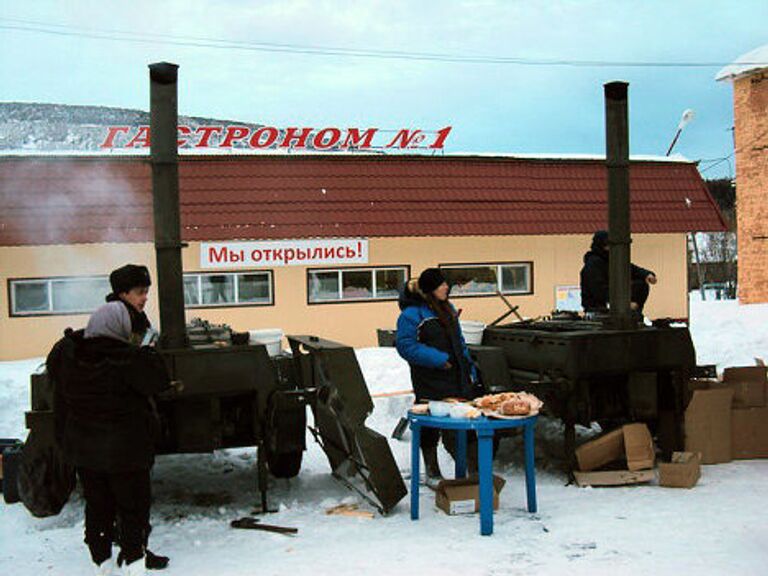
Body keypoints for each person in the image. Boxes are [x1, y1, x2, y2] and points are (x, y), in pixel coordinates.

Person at [47, 264, 170, 576]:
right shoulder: (128, 359)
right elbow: (158, 381)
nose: (144, 298)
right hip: (126, 450)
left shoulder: (71, 354)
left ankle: (102, 561)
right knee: (132, 507)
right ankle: (134, 561)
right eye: (140, 292)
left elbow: (58, 389)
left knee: (98, 506)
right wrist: (147, 351)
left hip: (88, 451)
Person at [395, 267, 479, 488]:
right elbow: (405, 346)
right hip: (429, 379)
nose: (446, 287)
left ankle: (474, 472)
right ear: (430, 289)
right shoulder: (411, 315)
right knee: (430, 426)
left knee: (467, 423)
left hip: (457, 377)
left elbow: (459, 341)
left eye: (445, 284)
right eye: (441, 284)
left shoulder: (447, 308)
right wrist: (437, 359)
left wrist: (468, 366)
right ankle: (432, 470)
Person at [580, 230, 658, 315]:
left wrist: (647, 274)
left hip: (612, 307)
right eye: (608, 245)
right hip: (597, 310)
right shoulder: (593, 265)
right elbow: (599, 290)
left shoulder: (610, 261)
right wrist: (623, 304)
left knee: (641, 284)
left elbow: (630, 269)